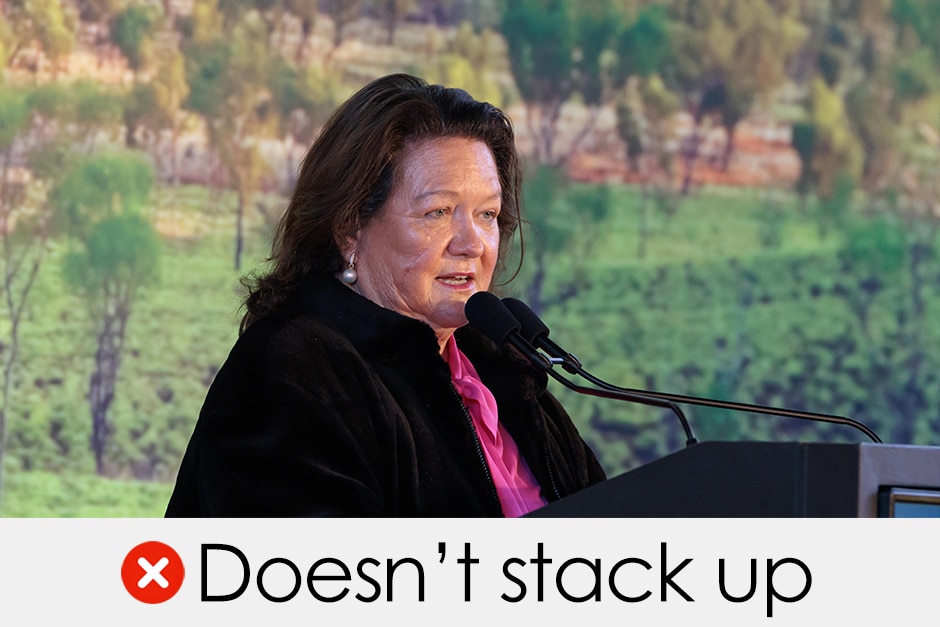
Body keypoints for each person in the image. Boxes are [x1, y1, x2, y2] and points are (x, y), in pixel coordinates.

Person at [165, 73, 606, 517]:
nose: (472, 243)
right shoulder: (291, 371)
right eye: (438, 212)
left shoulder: (502, 373)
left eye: (487, 214)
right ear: (349, 228)